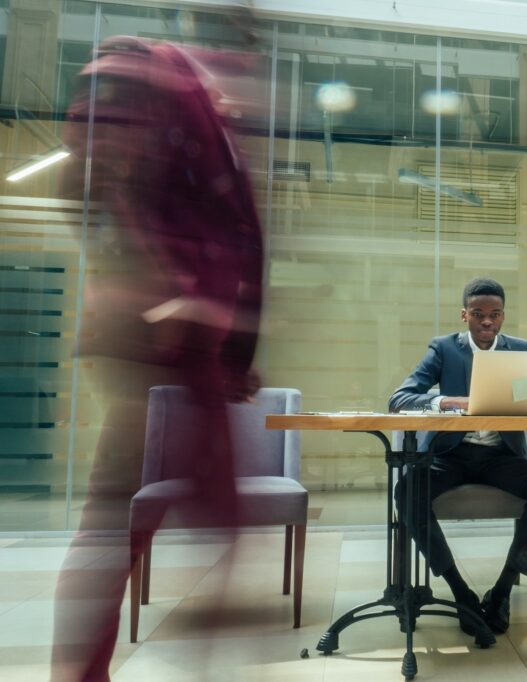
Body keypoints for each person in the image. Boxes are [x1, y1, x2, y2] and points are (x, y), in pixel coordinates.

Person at [50, 8, 266, 681]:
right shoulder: (154, 75)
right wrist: (156, 289)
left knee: (196, 520)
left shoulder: (209, 112)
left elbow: (239, 244)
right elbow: (84, 180)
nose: (251, 59)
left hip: (187, 355)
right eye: (243, 40)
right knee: (124, 522)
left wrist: (235, 356)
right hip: (159, 348)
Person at [389, 277, 527, 635]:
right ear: (464, 314)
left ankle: (502, 590)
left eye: (495, 314)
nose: (487, 321)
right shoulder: (444, 349)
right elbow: (400, 398)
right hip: (449, 454)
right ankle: (460, 591)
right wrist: (449, 401)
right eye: (478, 313)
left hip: (501, 455)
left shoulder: (520, 350)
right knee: (406, 491)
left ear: (503, 316)